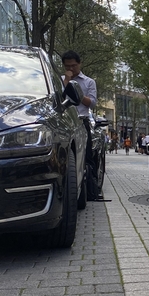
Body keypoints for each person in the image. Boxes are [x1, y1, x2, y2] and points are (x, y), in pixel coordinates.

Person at [62, 50, 99, 198]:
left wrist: (78, 93)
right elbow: (59, 99)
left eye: (74, 66)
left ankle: (90, 191)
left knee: (87, 157)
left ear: (79, 64)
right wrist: (66, 83)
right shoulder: (59, 80)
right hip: (65, 122)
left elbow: (92, 103)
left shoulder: (89, 82)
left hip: (81, 121)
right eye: (67, 66)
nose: (71, 69)